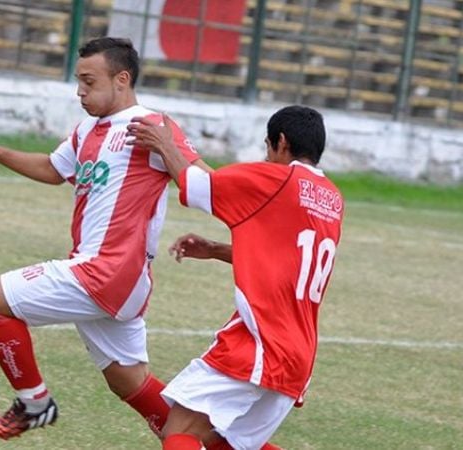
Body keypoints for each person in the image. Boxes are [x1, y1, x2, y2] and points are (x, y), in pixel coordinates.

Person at [0, 37, 209, 441]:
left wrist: (167, 149)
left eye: (89, 82)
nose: (80, 92)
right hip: (109, 274)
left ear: (121, 79)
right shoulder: (89, 128)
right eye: (79, 81)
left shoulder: (153, 126)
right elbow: (55, 169)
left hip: (107, 270)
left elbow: (202, 181)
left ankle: (35, 402)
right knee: (130, 383)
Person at [127, 105, 344, 450]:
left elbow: (197, 186)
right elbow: (284, 255)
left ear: (281, 142)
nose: (267, 156)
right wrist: (215, 249)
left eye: (268, 147)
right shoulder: (331, 198)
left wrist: (164, 143)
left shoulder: (278, 178)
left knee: (180, 432)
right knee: (225, 443)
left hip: (260, 341)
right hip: (298, 352)